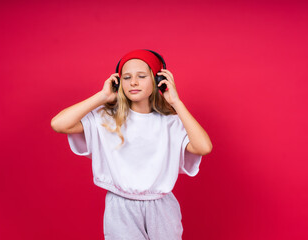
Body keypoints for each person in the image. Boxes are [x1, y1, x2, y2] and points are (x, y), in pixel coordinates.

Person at [51, 49, 212, 240]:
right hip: (120, 206)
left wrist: (176, 102)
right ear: (118, 82)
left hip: (161, 206)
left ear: (158, 80)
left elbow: (204, 147)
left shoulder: (171, 122)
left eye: (141, 76)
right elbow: (58, 124)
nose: (133, 82)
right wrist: (102, 96)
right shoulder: (106, 117)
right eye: (126, 77)